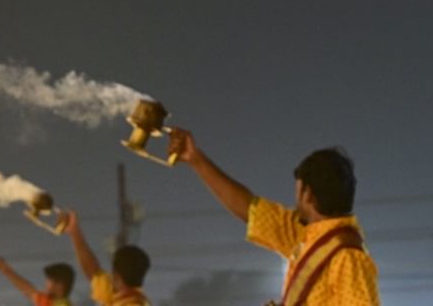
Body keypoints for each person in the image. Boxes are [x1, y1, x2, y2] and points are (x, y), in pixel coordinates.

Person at [167, 129, 379, 305]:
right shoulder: (304, 234)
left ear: (308, 195)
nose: (296, 201)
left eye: (297, 193)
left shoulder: (347, 257)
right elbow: (249, 209)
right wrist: (196, 159)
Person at [61, 210, 151, 306]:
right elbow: (93, 272)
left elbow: (93, 273)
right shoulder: (118, 294)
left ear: (116, 276)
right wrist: (74, 231)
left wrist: (75, 232)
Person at [0, 253, 75, 306]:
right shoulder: (50, 302)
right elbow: (28, 290)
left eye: (49, 280)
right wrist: (4, 268)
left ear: (60, 285)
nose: (46, 284)